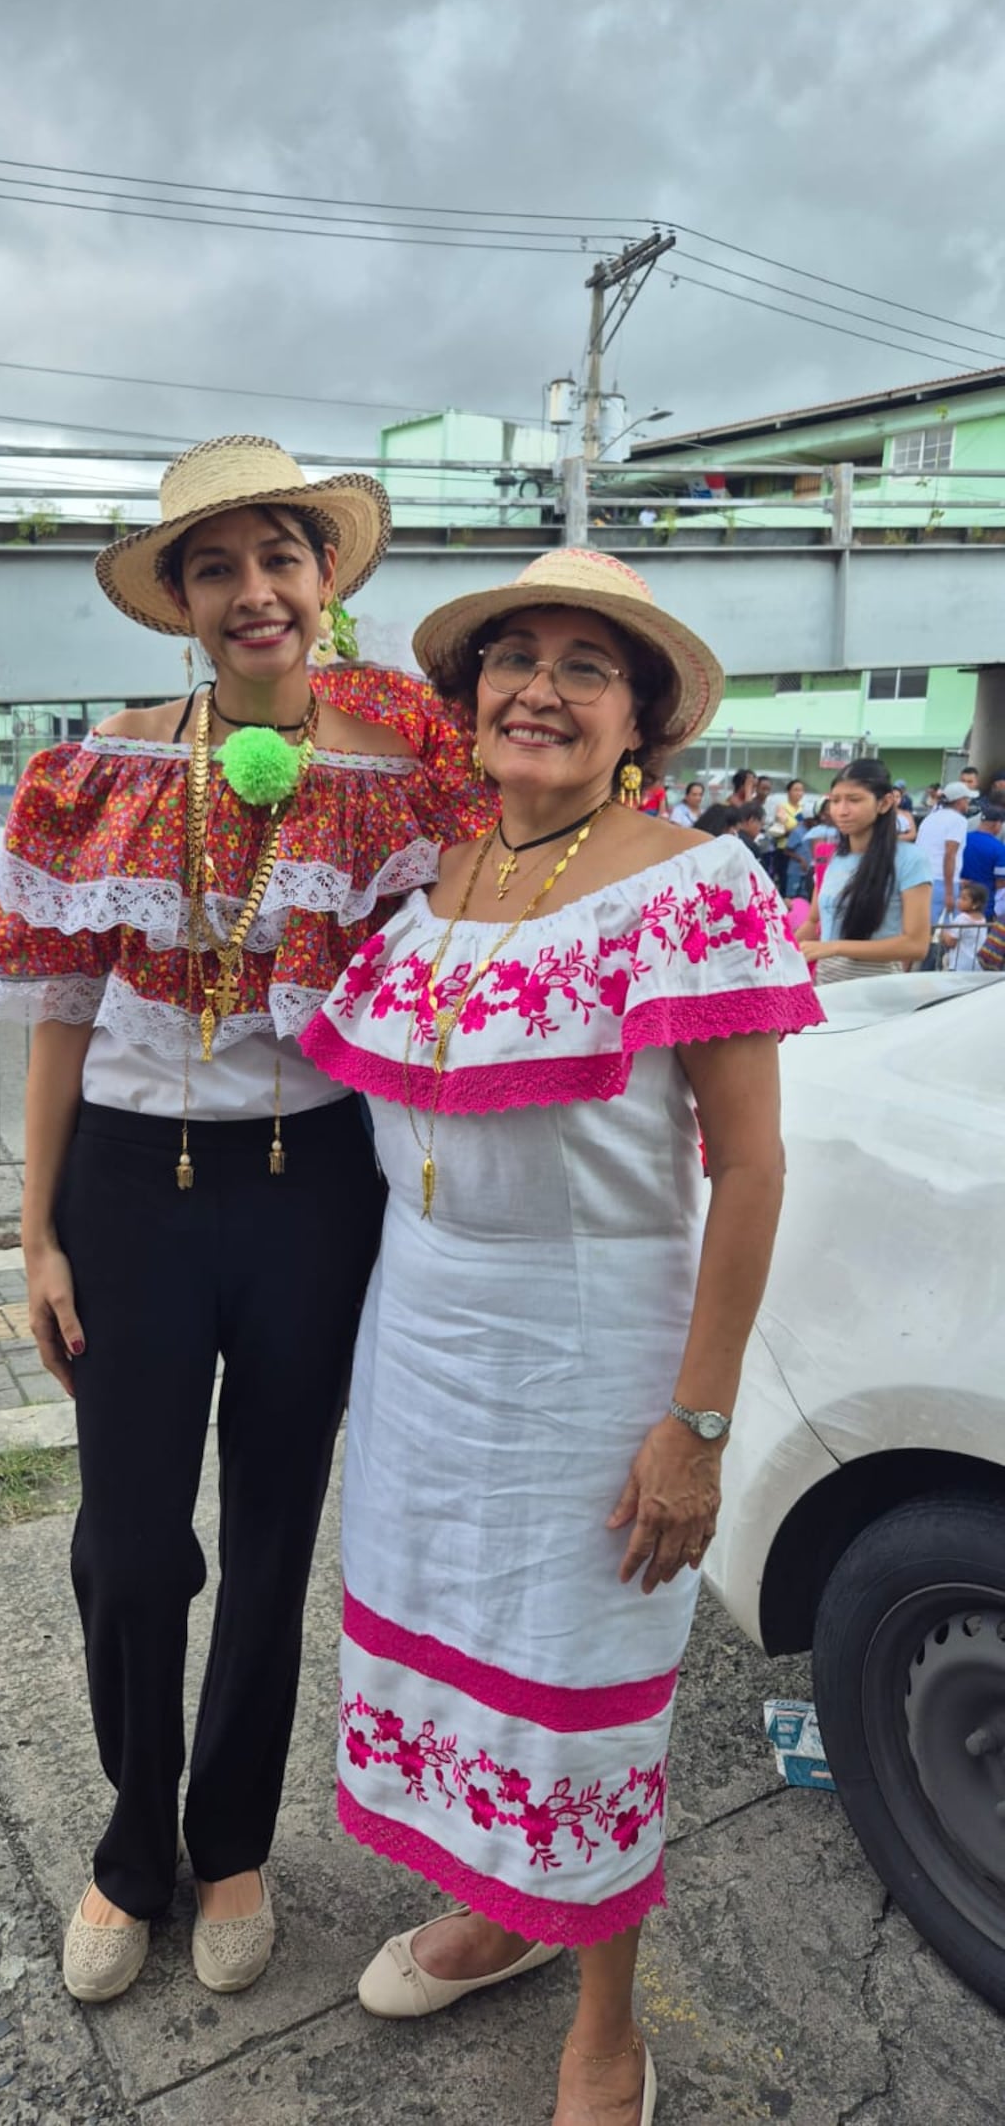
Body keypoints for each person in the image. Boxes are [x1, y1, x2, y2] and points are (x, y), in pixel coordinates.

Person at [300, 549, 821, 2126]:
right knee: (461, 1652)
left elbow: (753, 1166)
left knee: (583, 1679)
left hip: (596, 1358)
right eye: (512, 658)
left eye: (585, 666)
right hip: (426, 1346)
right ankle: (512, 1907)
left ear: (636, 716)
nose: (539, 685)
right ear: (468, 706)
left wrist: (701, 1423)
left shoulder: (695, 883)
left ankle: (607, 2011)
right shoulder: (432, 885)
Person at [0, 435, 490, 2007]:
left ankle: (234, 1845)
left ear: (324, 580)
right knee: (129, 1548)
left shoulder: (405, 771)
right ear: (183, 603)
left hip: (313, 1192)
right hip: (128, 1195)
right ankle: (133, 1846)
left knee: (274, 1537)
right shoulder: (101, 767)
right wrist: (40, 1231)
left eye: (281, 559)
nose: (254, 591)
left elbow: (514, 887)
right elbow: (61, 1011)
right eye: (218, 568)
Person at [796, 759, 932, 984]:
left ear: (885, 803)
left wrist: (835, 947)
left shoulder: (911, 860)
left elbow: (916, 945)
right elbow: (812, 922)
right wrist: (778, 953)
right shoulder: (833, 859)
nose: (842, 810)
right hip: (827, 981)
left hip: (877, 986)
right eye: (835, 801)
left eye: (854, 800)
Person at [916, 780, 974, 925]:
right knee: (944, 931)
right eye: (967, 799)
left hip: (921, 877)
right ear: (959, 801)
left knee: (924, 926)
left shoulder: (930, 818)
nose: (968, 803)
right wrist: (949, 893)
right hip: (942, 881)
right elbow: (949, 854)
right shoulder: (958, 820)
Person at [960, 802, 1004, 911]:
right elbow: (1001, 884)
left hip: (961, 903)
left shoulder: (962, 840)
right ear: (997, 824)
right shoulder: (999, 849)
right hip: (984, 907)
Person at [940, 879, 988, 970]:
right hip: (976, 964)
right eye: (959, 897)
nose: (959, 901)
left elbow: (951, 942)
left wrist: (943, 932)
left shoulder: (962, 918)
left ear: (975, 904)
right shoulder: (982, 919)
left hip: (960, 964)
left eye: (964, 899)